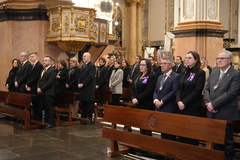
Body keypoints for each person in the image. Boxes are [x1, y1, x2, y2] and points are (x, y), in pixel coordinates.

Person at [204, 50, 240, 160]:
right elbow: (207, 89)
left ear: (229, 60)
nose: (219, 60)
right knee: (214, 139)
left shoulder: (236, 74)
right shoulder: (215, 72)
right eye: (217, 58)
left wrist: (213, 104)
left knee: (226, 141)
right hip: (211, 111)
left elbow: (232, 93)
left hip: (225, 111)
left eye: (222, 58)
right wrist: (208, 103)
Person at [176, 51, 205, 146]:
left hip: (192, 106)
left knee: (190, 133)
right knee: (181, 131)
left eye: (189, 58)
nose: (186, 60)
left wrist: (184, 102)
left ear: (196, 60)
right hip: (180, 105)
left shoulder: (200, 73)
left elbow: (197, 90)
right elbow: (178, 88)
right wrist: (179, 100)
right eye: (186, 58)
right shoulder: (183, 71)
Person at [153, 58, 179, 140]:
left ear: (170, 65)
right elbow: (156, 90)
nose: (162, 65)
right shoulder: (160, 77)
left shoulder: (176, 76)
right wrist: (155, 100)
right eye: (161, 63)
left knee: (169, 130)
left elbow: (174, 91)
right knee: (162, 129)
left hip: (169, 106)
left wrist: (163, 101)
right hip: (159, 106)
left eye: (165, 63)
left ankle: (170, 149)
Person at [132, 59, 156, 136]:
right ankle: (142, 141)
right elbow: (132, 88)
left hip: (146, 103)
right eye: (140, 65)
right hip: (137, 103)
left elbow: (149, 91)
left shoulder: (151, 76)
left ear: (148, 66)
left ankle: (148, 142)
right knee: (140, 124)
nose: (141, 67)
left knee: (146, 125)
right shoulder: (138, 76)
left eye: (143, 65)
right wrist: (133, 98)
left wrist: (138, 99)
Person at [37, 56, 57, 129]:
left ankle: (51, 122)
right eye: (43, 60)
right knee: (44, 107)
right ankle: (45, 121)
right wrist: (38, 87)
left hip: (48, 92)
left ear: (50, 62)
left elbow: (50, 82)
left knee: (49, 107)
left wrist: (42, 89)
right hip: (42, 91)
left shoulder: (52, 70)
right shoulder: (43, 70)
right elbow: (40, 80)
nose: (44, 61)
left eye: (46, 60)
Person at [78, 52, 96, 124]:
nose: (83, 57)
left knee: (89, 103)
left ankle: (89, 118)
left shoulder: (92, 66)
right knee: (83, 103)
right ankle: (83, 117)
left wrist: (83, 83)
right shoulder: (83, 66)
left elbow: (90, 77)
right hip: (83, 88)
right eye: (83, 56)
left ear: (89, 57)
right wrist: (79, 82)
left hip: (88, 88)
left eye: (85, 56)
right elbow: (80, 76)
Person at [26, 52, 43, 120]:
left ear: (36, 57)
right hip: (31, 87)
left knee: (37, 103)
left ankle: (38, 119)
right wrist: (27, 84)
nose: (31, 58)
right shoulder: (33, 65)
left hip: (35, 87)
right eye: (30, 57)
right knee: (34, 103)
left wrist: (28, 84)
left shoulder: (39, 65)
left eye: (32, 56)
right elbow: (30, 76)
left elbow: (36, 77)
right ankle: (35, 117)